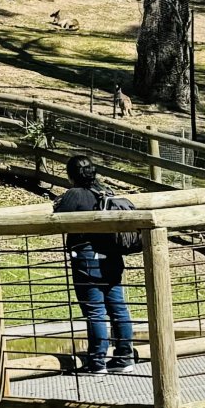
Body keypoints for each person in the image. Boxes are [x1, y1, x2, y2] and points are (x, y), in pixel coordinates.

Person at [53, 154, 137, 373]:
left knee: (95, 311)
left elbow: (57, 219)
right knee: (118, 307)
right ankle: (124, 357)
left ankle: (97, 361)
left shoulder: (74, 194)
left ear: (71, 175)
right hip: (112, 257)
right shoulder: (104, 191)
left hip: (87, 259)